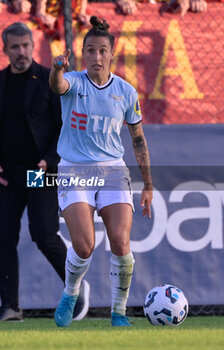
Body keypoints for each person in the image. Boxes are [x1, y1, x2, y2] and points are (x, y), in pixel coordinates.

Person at [49, 15, 153, 327]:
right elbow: (58, 86)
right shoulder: (74, 82)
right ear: (82, 54)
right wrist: (56, 69)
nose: (97, 56)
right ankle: (70, 293)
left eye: (102, 51)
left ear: (112, 54)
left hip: (112, 171)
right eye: (90, 50)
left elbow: (138, 138)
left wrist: (148, 183)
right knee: (84, 246)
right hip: (74, 170)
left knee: (121, 243)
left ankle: (118, 313)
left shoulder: (126, 92)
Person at [0, 22, 89, 322]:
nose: (21, 52)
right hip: (8, 176)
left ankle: (75, 288)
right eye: (15, 47)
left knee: (43, 234)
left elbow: (65, 125)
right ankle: (10, 306)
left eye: (26, 45)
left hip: (40, 171)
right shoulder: (0, 82)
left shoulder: (47, 81)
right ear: (6, 50)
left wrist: (49, 160)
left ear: (32, 46)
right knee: (3, 238)